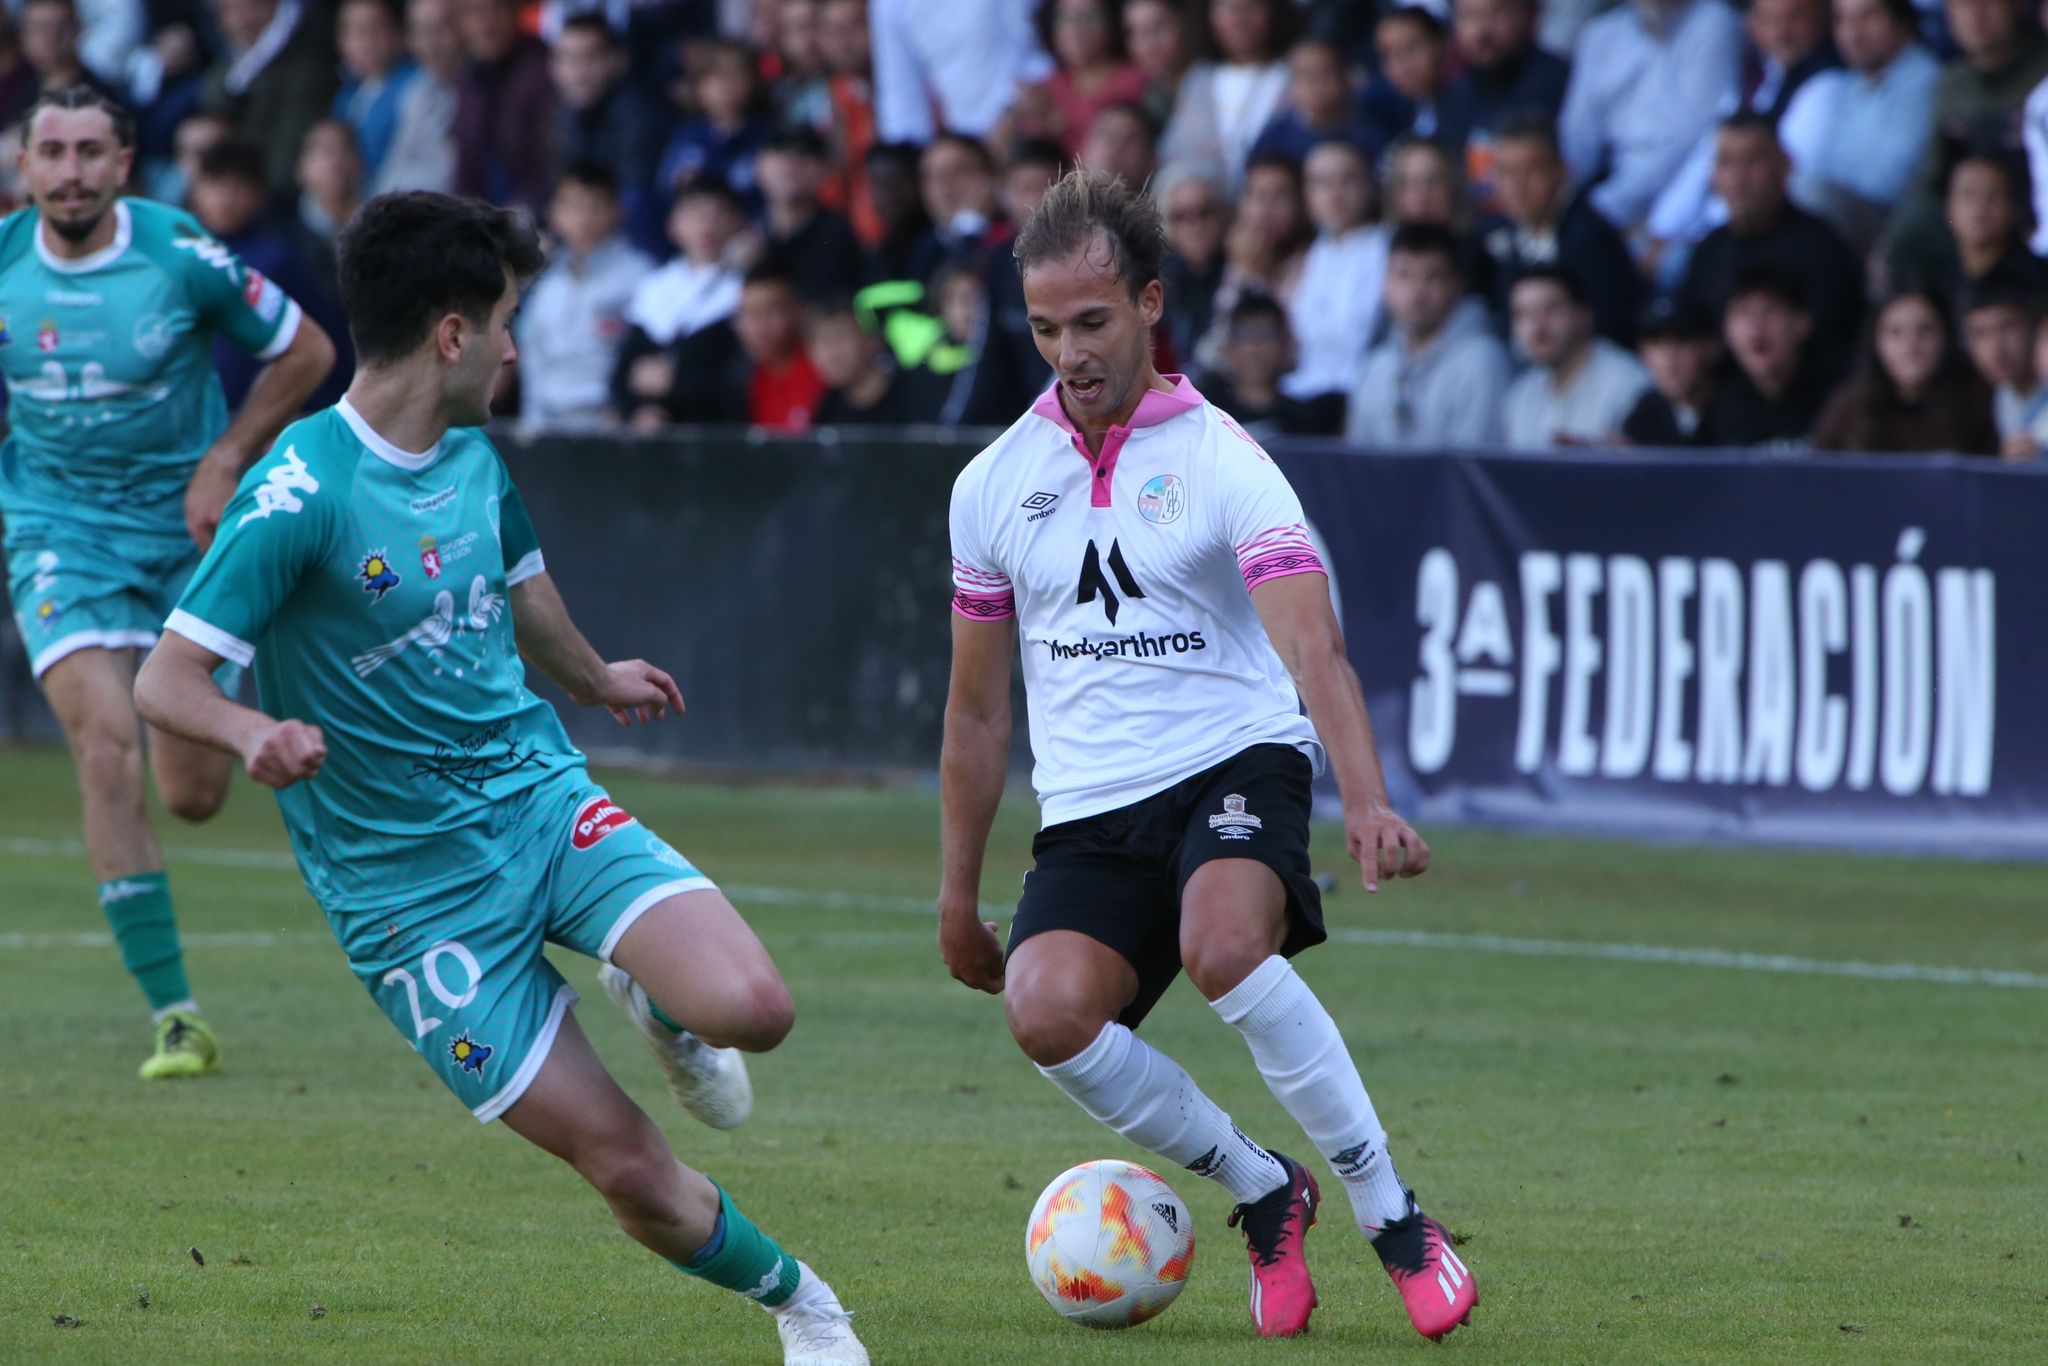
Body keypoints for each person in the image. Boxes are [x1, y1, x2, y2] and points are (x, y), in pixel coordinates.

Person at [131, 191, 869, 1366]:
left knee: (755, 1012)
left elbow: (523, 593)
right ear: (451, 335)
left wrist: (593, 673)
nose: (521, 346)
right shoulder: (298, 490)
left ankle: (660, 1002)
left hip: (532, 796)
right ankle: (807, 1307)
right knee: (625, 1164)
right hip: (408, 903)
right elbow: (165, 682)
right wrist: (247, 732)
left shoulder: (474, 458)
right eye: (509, 322)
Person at [939, 166, 1479, 1346]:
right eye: (1042, 328)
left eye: (1090, 322)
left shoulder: (1223, 455)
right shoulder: (990, 486)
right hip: (1089, 806)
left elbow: (1312, 642)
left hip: (1232, 758)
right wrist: (954, 895)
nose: (1068, 352)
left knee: (1225, 944)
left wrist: (1367, 798)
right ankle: (1259, 1186)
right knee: (1042, 1011)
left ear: (1146, 304)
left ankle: (1392, 1217)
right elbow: (977, 716)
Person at [0, 87, 335, 1079]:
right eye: (50, 151)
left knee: (191, 794)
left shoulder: (178, 252)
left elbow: (307, 348)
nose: (69, 170)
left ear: (124, 164)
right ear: (25, 167)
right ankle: (176, 1016)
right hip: (59, 537)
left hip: (188, 532)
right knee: (103, 751)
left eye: (89, 152)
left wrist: (227, 455)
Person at [1675, 113, 1863, 366]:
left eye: (1751, 161)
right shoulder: (1708, 251)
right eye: (1726, 163)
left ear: (1785, 165)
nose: (1737, 178)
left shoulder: (1821, 248)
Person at [1556, 0, 1743, 239]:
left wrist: (1599, 210)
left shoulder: (1714, 23)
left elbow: (1691, 140)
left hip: (1685, 203)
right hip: (1605, 197)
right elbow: (1577, 137)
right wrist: (1558, 202)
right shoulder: (1601, 34)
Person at [1777, 0, 1938, 252]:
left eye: (1867, 17)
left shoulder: (1925, 78)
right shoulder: (1852, 82)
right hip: (1845, 213)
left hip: (1890, 226)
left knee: (1809, 193)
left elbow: (1891, 183)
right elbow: (1830, 160)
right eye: (1842, 19)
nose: (1852, 33)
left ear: (1902, 22)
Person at [1346, 221, 1511, 448]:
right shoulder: (1376, 363)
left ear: (1457, 285)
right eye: (1404, 276)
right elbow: (1357, 460)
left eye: (1432, 277)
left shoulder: (1483, 362)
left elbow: (1472, 471)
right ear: (1385, 285)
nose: (1416, 293)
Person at [518, 163, 655, 428]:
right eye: (573, 206)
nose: (584, 218)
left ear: (617, 210)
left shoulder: (641, 277)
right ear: (554, 214)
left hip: (611, 423)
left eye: (595, 206)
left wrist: (625, 411)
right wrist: (531, 425)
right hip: (549, 423)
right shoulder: (546, 284)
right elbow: (533, 360)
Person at [1481, 115, 1639, 344]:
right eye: (1505, 172)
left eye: (1529, 171)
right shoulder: (1500, 233)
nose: (1517, 186)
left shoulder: (1591, 238)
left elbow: (1611, 327)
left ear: (1560, 171)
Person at [612, 177, 746, 430]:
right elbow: (625, 370)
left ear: (737, 222)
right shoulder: (653, 288)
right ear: (674, 225)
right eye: (697, 215)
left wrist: (678, 379)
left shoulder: (743, 289)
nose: (707, 225)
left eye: (718, 215)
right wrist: (638, 409)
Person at [1813, 289, 2000, 452]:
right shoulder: (1847, 407)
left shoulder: (1977, 403)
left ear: (1946, 339)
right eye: (1895, 333)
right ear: (1876, 343)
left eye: (1925, 331)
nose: (1911, 347)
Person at [1282, 138, 1388, 408]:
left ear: (1369, 186)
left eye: (1347, 180)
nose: (1334, 193)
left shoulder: (1386, 249)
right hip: (1302, 391)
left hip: (1360, 394)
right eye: (1320, 182)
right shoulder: (1310, 254)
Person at [197, 0, 339, 194]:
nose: (224, 19)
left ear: (262, 7)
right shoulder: (233, 55)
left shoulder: (305, 64)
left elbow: (289, 153)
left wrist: (247, 193)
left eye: (228, 8)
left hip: (273, 198)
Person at [1501, 266, 1649, 447]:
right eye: (1523, 314)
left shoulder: (1628, 383)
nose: (1537, 326)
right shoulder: (1520, 395)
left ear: (1584, 315)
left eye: (1550, 309)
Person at [1440, 0, 1570, 207]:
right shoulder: (1454, 94)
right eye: (1469, 16)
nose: (1482, 30)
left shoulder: (1559, 83)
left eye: (1496, 12)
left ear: (1525, 14)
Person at [1159, 0, 1296, 194]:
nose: (1239, 18)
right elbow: (1174, 157)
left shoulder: (1292, 75)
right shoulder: (1198, 80)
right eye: (1228, 8)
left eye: (1250, 6)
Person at [869, 0, 1049, 144]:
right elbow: (901, 100)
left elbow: (1039, 49)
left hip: (1038, 123)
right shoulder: (889, 5)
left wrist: (1011, 113)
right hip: (966, 147)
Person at [1699, 265, 1835, 447]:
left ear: (1802, 322)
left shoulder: (1838, 400)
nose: (1756, 327)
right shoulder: (1717, 405)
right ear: (1725, 328)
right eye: (1744, 312)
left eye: (1770, 310)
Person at [1013, 0, 1150, 156]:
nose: (1075, 29)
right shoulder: (1045, 88)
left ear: (1112, 21)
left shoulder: (1136, 81)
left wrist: (1062, 125)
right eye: (1064, 18)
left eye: (1088, 17)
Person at [452, 0, 553, 211]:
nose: (486, 24)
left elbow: (552, 165)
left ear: (516, 12)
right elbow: (466, 164)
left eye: (496, 9)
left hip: (543, 213)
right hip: (485, 216)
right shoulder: (467, 76)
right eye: (474, 13)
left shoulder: (544, 69)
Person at [1203, 291, 1344, 435]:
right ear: (1229, 347)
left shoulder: (1303, 419)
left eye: (1266, 336)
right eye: (1246, 335)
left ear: (1285, 346)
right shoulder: (1208, 413)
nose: (1255, 348)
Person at [1247, 36, 1379, 167]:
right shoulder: (1275, 139)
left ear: (1346, 78)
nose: (1314, 84)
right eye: (1304, 75)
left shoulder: (1368, 134)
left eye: (1324, 74)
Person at [808, 293, 931, 424]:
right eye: (821, 341)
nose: (831, 354)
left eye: (840, 337)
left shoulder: (914, 396)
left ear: (872, 341)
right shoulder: (825, 408)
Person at [1959, 275, 2048, 455]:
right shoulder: (1992, 397)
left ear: (2034, 327)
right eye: (1980, 334)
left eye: (2008, 327)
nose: (1996, 348)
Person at [331, 0, 418, 184]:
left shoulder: (415, 86)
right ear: (341, 41)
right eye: (357, 31)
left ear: (398, 34)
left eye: (376, 28)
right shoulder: (346, 96)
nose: (367, 40)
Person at [1620, 295, 1722, 445]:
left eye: (1682, 341)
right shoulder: (1645, 412)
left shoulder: (1740, 411)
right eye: (1657, 343)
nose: (1669, 359)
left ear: (1711, 347)